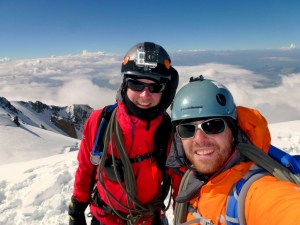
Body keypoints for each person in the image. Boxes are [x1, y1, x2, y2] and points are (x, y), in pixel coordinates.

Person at [68, 42, 179, 225]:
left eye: (155, 87)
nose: (145, 95)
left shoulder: (168, 131)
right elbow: (86, 168)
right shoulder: (100, 121)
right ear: (125, 84)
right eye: (136, 84)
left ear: (165, 90)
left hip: (148, 219)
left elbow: (179, 181)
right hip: (104, 218)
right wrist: (77, 207)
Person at [167, 75, 300, 225]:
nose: (199, 139)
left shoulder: (254, 192)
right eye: (187, 129)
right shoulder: (195, 183)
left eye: (214, 126)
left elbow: (285, 208)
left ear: (233, 131)